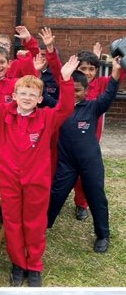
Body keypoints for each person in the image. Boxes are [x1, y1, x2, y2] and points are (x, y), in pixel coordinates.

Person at [0, 37, 78, 286]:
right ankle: (18, 263)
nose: (26, 98)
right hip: (11, 179)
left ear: (40, 99)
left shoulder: (46, 118)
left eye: (32, 94)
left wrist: (65, 81)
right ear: (14, 95)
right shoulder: (4, 114)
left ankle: (34, 265)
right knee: (12, 222)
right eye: (22, 93)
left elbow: (66, 108)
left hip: (37, 180)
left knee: (34, 223)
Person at [47, 56, 121, 254]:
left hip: (90, 163)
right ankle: (44, 225)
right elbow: (37, 94)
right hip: (66, 163)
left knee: (97, 197)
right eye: (70, 90)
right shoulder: (58, 108)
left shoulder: (93, 107)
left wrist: (115, 71)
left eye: (78, 91)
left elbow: (110, 93)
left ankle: (103, 235)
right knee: (56, 194)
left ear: (87, 92)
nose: (73, 94)